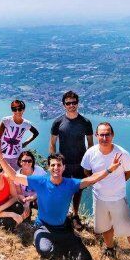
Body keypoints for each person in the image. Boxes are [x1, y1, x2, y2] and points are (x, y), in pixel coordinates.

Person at [0, 138, 121, 260]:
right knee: (46, 251)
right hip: (43, 226)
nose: (56, 168)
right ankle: (44, 245)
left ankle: (62, 244)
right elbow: (14, 176)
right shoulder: (40, 181)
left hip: (62, 228)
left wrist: (109, 170)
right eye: (53, 165)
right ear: (49, 167)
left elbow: (92, 179)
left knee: (86, 259)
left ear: (64, 167)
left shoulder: (71, 184)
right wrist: (0, 156)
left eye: (59, 165)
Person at [80, 122, 130, 260]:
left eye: (107, 134)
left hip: (118, 198)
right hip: (99, 197)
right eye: (101, 134)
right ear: (96, 135)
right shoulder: (90, 153)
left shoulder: (122, 153)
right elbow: (87, 171)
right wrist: (100, 182)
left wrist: (117, 183)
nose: (104, 137)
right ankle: (110, 248)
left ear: (112, 135)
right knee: (105, 227)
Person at [50, 90, 93, 225]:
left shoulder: (85, 122)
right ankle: (62, 214)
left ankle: (75, 215)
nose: (71, 105)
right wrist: (53, 162)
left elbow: (91, 144)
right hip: (64, 164)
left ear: (77, 104)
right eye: (68, 103)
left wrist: (90, 164)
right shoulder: (58, 122)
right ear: (64, 105)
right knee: (63, 189)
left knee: (78, 189)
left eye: (74, 102)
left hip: (80, 163)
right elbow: (52, 143)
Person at [0, 99, 39, 169]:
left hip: (17, 156)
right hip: (3, 156)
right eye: (14, 109)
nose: (17, 111)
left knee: (16, 177)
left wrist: (26, 143)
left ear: (23, 109)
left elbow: (36, 133)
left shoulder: (26, 124)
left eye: (19, 109)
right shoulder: (6, 120)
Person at [16, 149, 44, 222]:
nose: (27, 163)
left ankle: (44, 221)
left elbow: (44, 187)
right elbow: (19, 193)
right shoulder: (17, 175)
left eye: (29, 161)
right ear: (20, 162)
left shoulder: (39, 171)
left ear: (32, 162)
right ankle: (27, 221)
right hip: (24, 198)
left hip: (37, 196)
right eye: (24, 161)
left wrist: (32, 198)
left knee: (43, 203)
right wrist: (26, 202)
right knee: (24, 213)